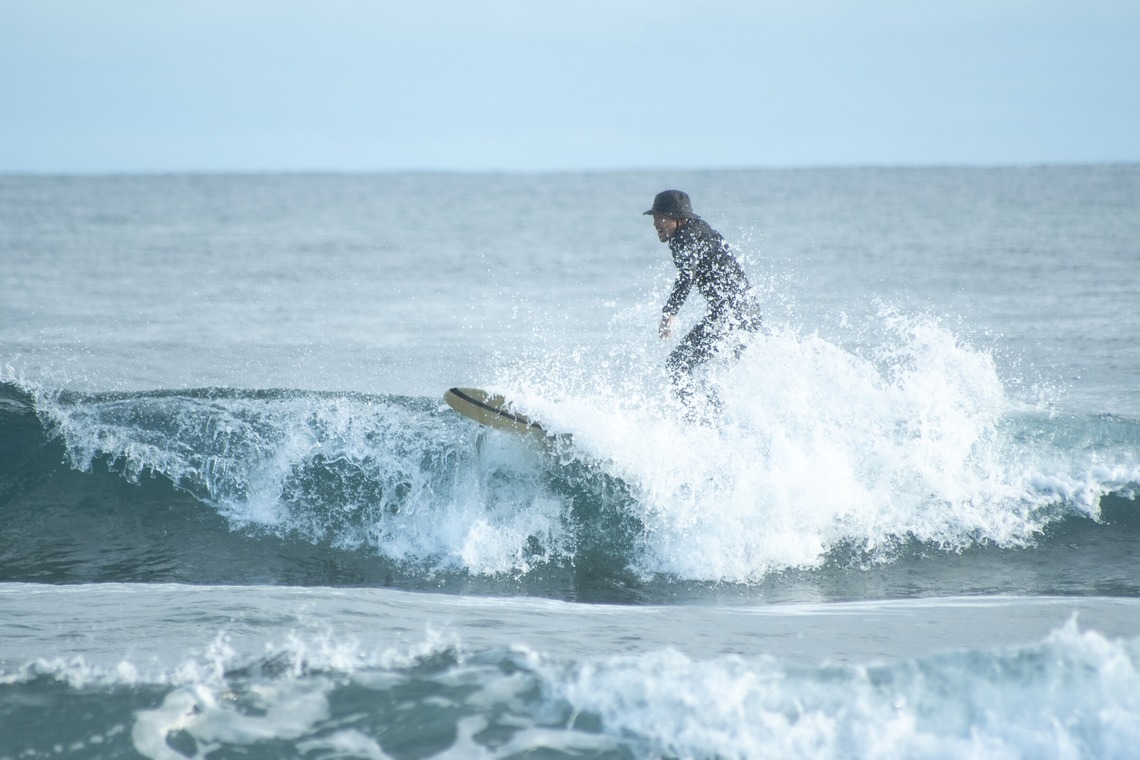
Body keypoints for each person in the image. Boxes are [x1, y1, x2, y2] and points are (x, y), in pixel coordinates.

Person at [645, 189, 761, 410]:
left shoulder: (683, 239)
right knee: (714, 374)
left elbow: (686, 276)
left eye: (660, 218)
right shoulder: (699, 231)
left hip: (730, 315)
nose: (655, 224)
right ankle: (717, 419)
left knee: (677, 365)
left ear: (677, 219)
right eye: (654, 218)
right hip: (748, 314)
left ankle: (694, 420)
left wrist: (669, 313)